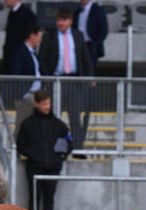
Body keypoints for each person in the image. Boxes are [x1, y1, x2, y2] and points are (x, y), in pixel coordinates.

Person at [38, 8, 94, 153]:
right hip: (55, 81)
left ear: (70, 21)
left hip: (74, 82)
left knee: (75, 116)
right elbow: (42, 59)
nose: (61, 23)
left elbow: (85, 58)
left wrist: (90, 77)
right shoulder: (49, 36)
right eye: (59, 20)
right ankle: (51, 148)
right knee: (53, 116)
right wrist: (48, 79)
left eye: (64, 20)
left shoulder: (78, 36)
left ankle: (78, 149)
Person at [16, 90, 72, 210]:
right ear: (36, 104)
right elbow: (21, 145)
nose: (47, 107)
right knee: (34, 198)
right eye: (44, 104)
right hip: (34, 168)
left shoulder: (58, 124)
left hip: (53, 168)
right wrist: (34, 155)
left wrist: (60, 157)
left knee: (49, 199)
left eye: (48, 103)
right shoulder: (27, 124)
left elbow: (69, 142)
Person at [10, 25, 44, 132]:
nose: (40, 40)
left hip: (37, 94)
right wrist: (23, 93)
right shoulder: (21, 52)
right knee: (22, 123)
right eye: (39, 36)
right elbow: (17, 72)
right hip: (26, 95)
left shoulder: (34, 54)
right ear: (32, 36)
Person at [2, 0, 37, 74]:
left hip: (20, 61)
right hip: (10, 60)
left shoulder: (27, 14)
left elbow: (31, 39)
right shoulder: (12, 13)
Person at [73, 0, 108, 69]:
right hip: (78, 45)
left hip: (91, 45)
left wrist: (94, 46)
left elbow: (104, 30)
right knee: (78, 69)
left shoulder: (98, 10)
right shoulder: (77, 12)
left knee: (89, 69)